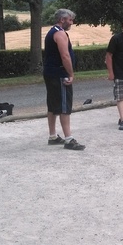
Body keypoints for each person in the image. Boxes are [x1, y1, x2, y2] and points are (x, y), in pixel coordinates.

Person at [43, 9, 84, 150]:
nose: (71, 22)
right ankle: (68, 139)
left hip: (50, 73)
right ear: (62, 20)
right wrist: (71, 73)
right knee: (64, 106)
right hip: (60, 74)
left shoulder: (51, 31)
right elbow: (65, 56)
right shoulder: (60, 33)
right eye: (70, 20)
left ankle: (53, 136)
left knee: (53, 105)